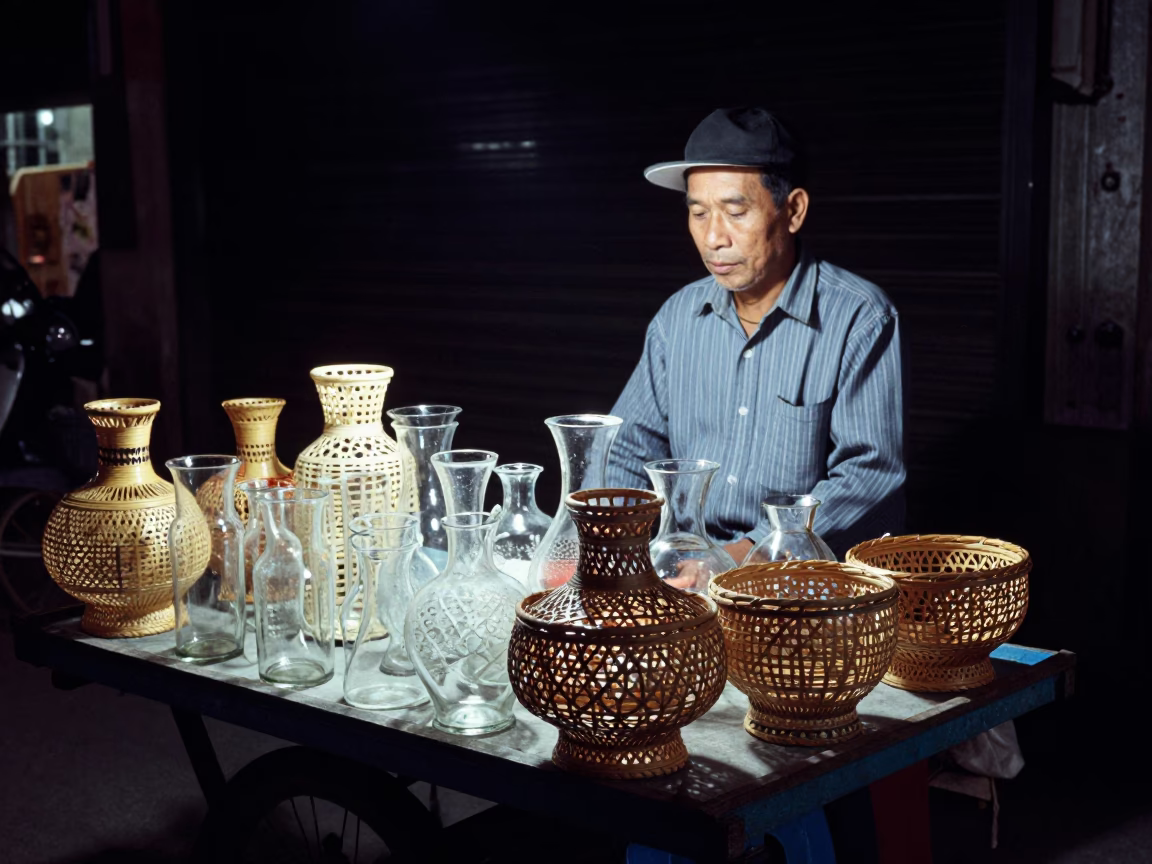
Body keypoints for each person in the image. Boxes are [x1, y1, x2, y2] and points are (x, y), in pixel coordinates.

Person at [606, 107, 905, 561]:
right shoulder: (677, 317)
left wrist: (746, 556)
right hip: (689, 562)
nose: (713, 238)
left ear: (793, 210)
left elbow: (870, 472)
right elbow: (627, 448)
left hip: (807, 577)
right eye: (699, 213)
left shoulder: (860, 317)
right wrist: (617, 545)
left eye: (735, 212)